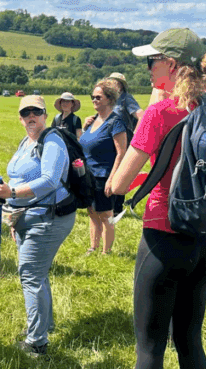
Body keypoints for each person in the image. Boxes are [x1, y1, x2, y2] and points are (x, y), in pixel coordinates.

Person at [111, 27, 206, 369]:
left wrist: (113, 184)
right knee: (191, 342)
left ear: (171, 65)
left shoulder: (159, 112)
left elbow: (122, 183)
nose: (148, 67)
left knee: (150, 348)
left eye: (152, 60)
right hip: (204, 239)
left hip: (163, 236)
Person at [0, 95, 76, 357]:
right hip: (27, 216)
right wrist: (12, 209)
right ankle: (44, 325)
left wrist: (13, 193)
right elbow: (17, 174)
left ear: (44, 115)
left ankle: (37, 343)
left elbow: (49, 180)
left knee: (30, 275)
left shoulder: (52, 140)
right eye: (26, 112)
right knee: (37, 274)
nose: (31, 116)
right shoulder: (26, 140)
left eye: (36, 112)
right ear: (20, 117)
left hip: (48, 216)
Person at [79, 79, 127, 255]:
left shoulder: (116, 122)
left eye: (98, 97)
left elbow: (122, 153)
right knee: (92, 212)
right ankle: (93, 247)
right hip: (89, 175)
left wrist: (113, 178)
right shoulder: (93, 121)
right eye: (92, 97)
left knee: (106, 215)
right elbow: (83, 143)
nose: (94, 100)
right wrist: (84, 128)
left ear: (109, 98)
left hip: (104, 175)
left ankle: (106, 252)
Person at [107, 72, 146, 218]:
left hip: (124, 139)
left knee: (120, 172)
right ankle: (109, 205)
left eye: (115, 82)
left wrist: (136, 135)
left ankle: (117, 208)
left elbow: (141, 115)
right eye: (110, 82)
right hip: (110, 139)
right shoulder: (110, 100)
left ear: (121, 85)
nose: (113, 85)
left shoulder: (126, 99)